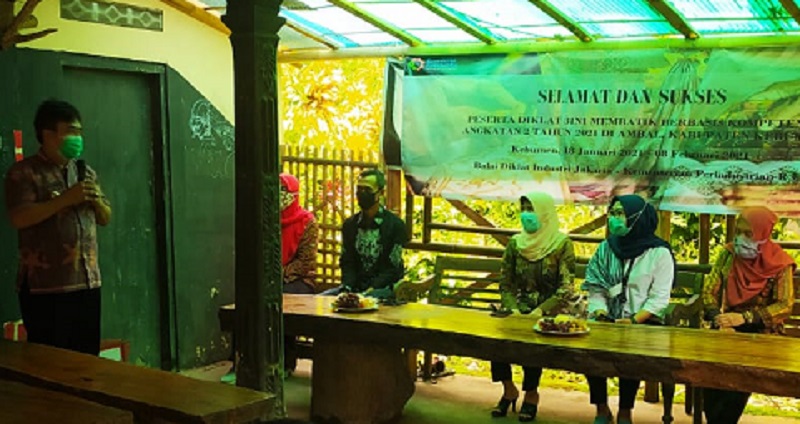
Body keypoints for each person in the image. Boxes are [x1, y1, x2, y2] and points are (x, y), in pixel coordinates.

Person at [4, 99, 111, 355]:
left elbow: (105, 218)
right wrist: (65, 199)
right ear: (48, 134)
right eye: (71, 131)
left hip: (86, 282)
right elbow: (19, 217)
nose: (78, 138)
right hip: (46, 288)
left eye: (80, 132)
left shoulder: (85, 172)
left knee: (87, 359)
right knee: (51, 361)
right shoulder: (24, 173)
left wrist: (96, 202)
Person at [582, 194, 674, 424]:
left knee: (631, 355)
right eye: (612, 213)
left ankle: (625, 411)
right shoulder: (606, 248)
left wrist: (633, 321)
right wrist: (600, 312)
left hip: (642, 321)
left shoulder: (659, 253)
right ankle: (601, 409)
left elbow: (659, 299)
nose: (614, 218)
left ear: (637, 218)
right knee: (590, 351)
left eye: (620, 213)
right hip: (607, 318)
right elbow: (596, 288)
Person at [701, 206, 796, 424]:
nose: (740, 238)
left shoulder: (780, 263)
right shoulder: (728, 254)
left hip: (761, 333)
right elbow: (708, 291)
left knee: (738, 374)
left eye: (748, 233)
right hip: (725, 329)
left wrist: (745, 318)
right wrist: (718, 318)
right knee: (709, 371)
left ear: (763, 233)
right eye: (738, 232)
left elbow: (784, 305)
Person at [490, 192, 576, 422]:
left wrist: (541, 311)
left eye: (532, 209)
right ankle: (508, 389)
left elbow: (566, 288)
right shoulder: (515, 244)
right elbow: (505, 283)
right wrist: (513, 309)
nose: (526, 214)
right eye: (524, 209)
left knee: (533, 341)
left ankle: (531, 394)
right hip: (516, 309)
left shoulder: (561, 244)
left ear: (545, 213)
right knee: (495, 340)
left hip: (547, 312)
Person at [323, 169, 407, 297]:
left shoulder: (395, 225)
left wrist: (371, 289)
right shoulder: (350, 225)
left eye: (367, 190)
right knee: (321, 299)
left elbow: (392, 269)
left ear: (380, 193)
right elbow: (347, 261)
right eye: (359, 189)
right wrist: (347, 287)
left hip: (384, 290)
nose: (362, 193)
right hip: (355, 288)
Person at [280, 173, 318, 294]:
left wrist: (281, 273)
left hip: (299, 279)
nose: (280, 194)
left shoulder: (307, 222)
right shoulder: (268, 219)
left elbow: (305, 261)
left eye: (284, 189)